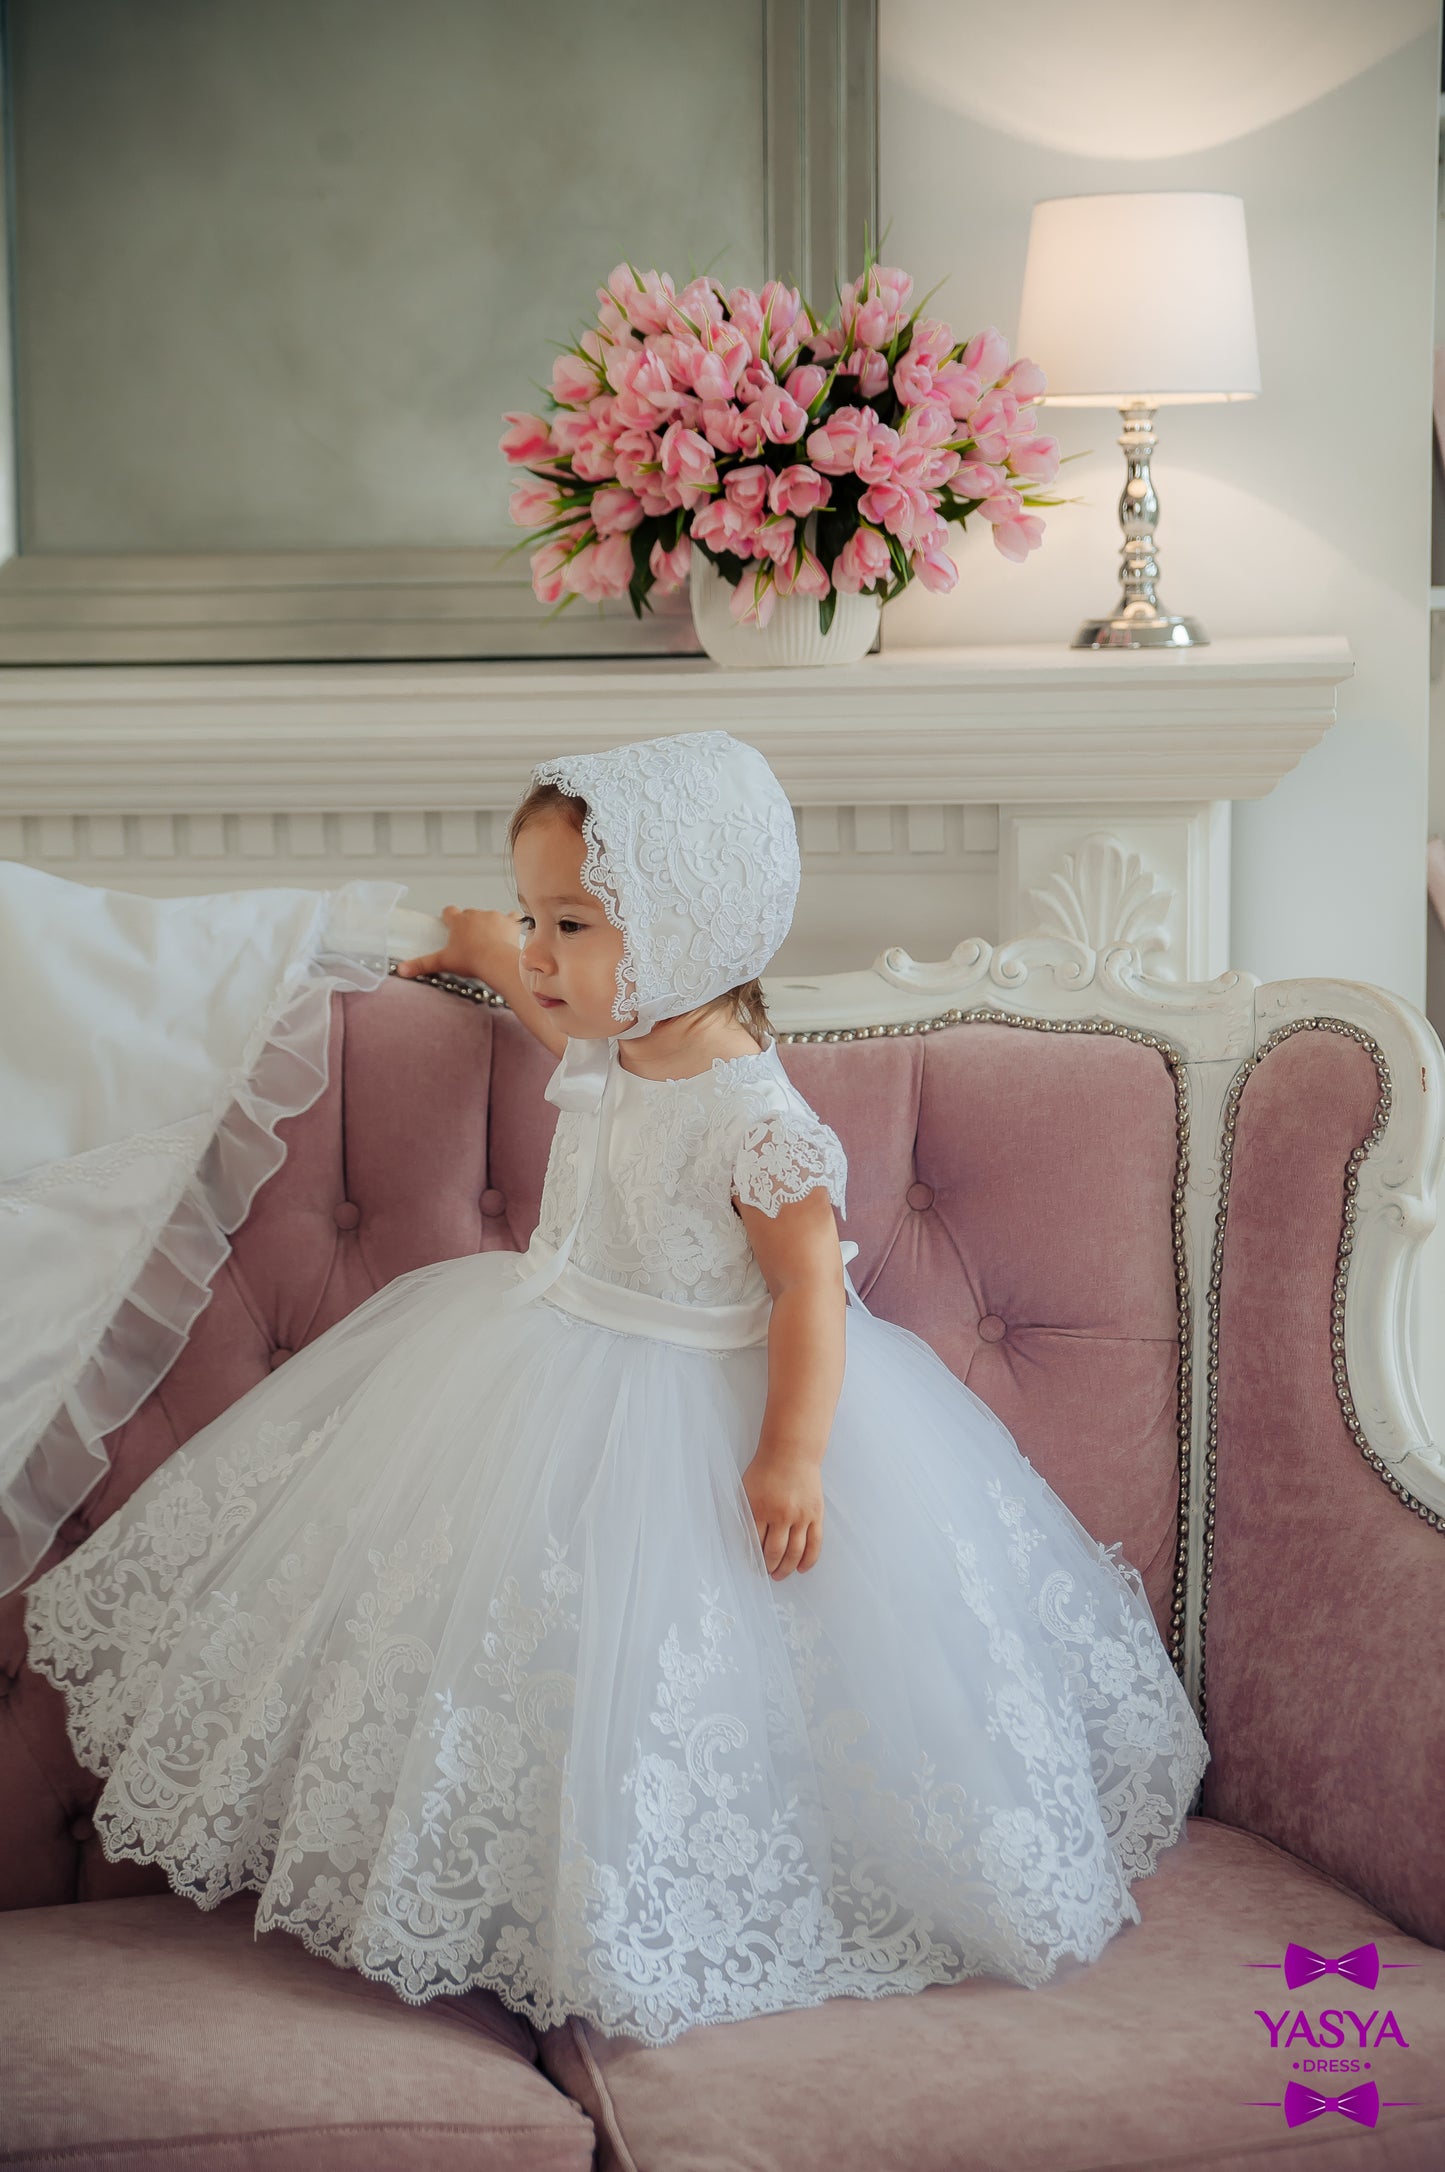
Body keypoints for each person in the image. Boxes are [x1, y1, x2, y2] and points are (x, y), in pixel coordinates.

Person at [23, 728, 1209, 2049]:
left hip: (701, 1402)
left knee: (677, 1691)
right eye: (536, 916)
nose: (543, 951)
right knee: (492, 1655)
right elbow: (553, 1021)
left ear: (689, 927)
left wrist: (791, 1455)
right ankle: (490, 1893)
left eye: (570, 922)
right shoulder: (619, 1037)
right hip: (530, 1356)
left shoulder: (757, 1119)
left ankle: (657, 1908)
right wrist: (487, 950)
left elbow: (809, 1291)